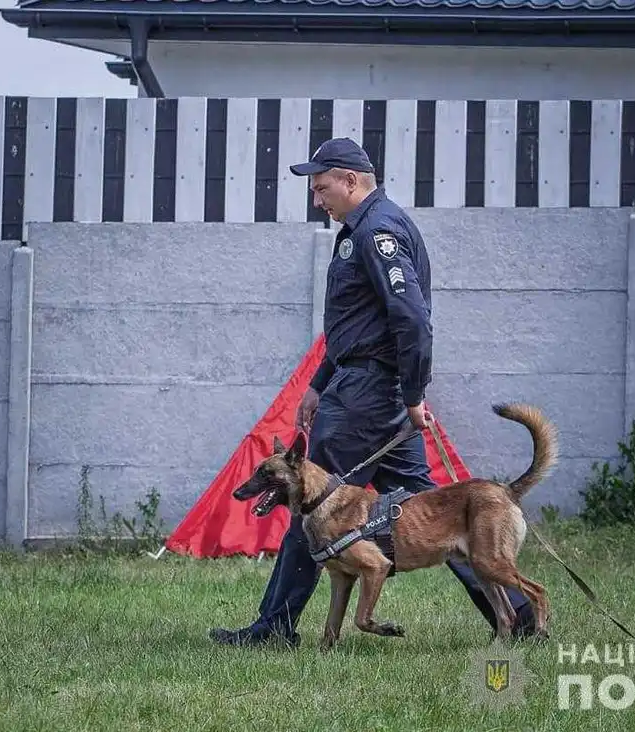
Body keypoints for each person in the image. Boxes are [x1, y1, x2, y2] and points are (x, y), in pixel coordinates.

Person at [209, 137, 538, 648]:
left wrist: (412, 394)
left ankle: (274, 628)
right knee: (435, 514)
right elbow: (356, 323)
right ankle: (520, 620)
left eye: (322, 188)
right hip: (366, 387)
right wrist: (319, 384)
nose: (319, 199)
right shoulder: (358, 230)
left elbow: (411, 320)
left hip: (367, 396)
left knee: (309, 502)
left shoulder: (378, 232)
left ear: (350, 180)